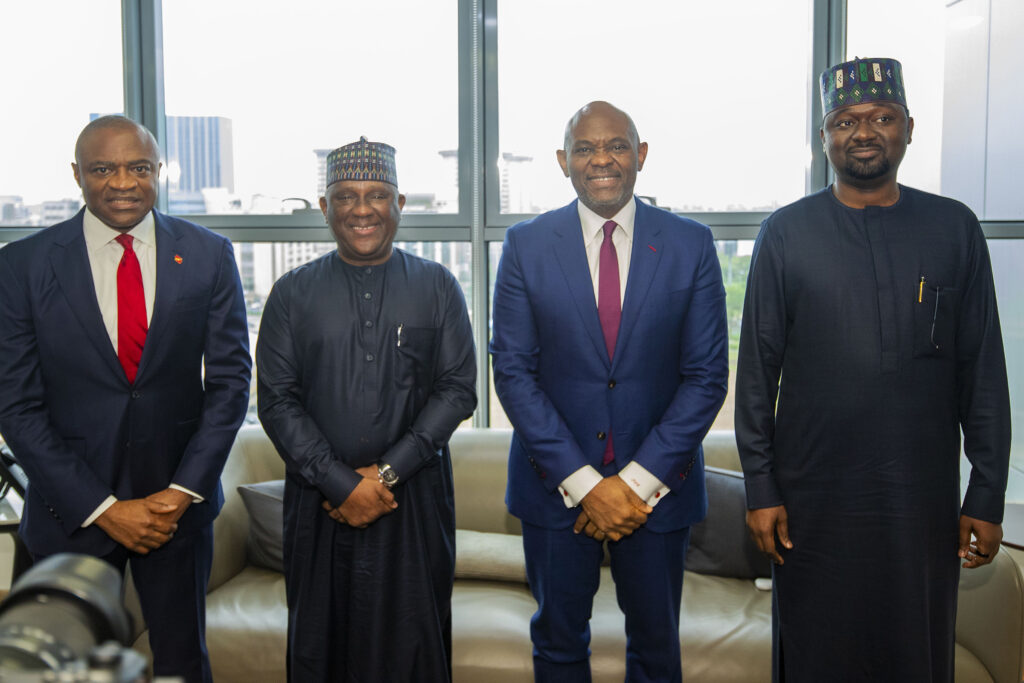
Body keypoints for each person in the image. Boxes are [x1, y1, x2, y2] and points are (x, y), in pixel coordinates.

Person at [735, 57, 1011, 681]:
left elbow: (983, 374)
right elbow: (756, 376)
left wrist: (987, 492)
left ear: (909, 128)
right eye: (845, 121)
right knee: (816, 653)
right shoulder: (785, 234)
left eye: (882, 118)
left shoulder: (955, 229)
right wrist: (761, 488)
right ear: (824, 138)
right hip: (812, 504)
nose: (863, 132)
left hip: (920, 502)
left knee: (915, 651)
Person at [0, 115, 252, 682]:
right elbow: (16, 405)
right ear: (77, 174)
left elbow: (231, 383)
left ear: (158, 171)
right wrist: (104, 509)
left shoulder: (208, 254)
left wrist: (181, 493)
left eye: (138, 167)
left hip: (175, 511)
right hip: (71, 511)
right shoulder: (21, 265)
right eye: (103, 169)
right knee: (68, 667)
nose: (122, 182)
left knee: (182, 662)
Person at [491, 101, 729, 683]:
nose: (602, 159)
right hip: (554, 490)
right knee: (557, 646)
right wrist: (585, 485)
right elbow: (514, 373)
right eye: (585, 149)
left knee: (656, 650)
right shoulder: (525, 244)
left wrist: (633, 485)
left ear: (640, 155)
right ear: (563, 161)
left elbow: (706, 376)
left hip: (659, 491)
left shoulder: (691, 244)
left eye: (617, 145)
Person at [256, 136, 476, 682]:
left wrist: (384, 475)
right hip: (320, 505)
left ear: (399, 204)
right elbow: (277, 402)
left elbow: (457, 390)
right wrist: (339, 484)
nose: (362, 209)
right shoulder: (290, 294)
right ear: (324, 207)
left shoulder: (438, 286)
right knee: (321, 646)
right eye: (346, 196)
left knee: (414, 648)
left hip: (413, 503)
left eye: (377, 195)